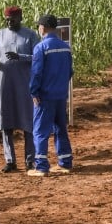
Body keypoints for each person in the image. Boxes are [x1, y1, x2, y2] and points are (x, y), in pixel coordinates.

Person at [0, 6, 40, 173]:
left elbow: (39, 57)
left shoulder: (30, 35)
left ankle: (30, 160)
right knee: (6, 123)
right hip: (5, 86)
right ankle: (10, 161)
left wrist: (21, 57)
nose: (9, 22)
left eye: (12, 19)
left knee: (28, 123)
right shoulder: (0, 35)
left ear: (20, 18)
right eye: (7, 19)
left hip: (24, 86)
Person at [28, 14, 74, 177]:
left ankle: (41, 166)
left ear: (43, 28)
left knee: (40, 131)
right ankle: (65, 162)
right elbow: (70, 71)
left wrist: (34, 91)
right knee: (60, 129)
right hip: (60, 96)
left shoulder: (41, 48)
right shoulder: (65, 47)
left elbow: (36, 73)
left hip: (45, 97)